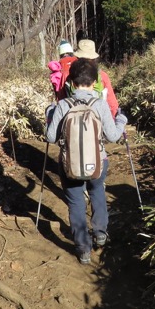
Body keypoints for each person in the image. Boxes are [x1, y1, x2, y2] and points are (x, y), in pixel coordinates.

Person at [45, 57, 127, 264]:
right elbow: (112, 136)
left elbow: (51, 137)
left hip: (69, 163)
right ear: (94, 82)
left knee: (75, 202)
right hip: (98, 161)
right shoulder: (99, 104)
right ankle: (100, 233)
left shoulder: (63, 105)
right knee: (97, 192)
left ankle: (83, 249)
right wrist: (121, 119)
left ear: (71, 82)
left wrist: (49, 115)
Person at [72, 39, 119, 118]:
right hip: (97, 119)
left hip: (73, 122)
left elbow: (63, 98)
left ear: (77, 57)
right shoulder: (102, 76)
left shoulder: (71, 75)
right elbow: (112, 103)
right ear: (93, 58)